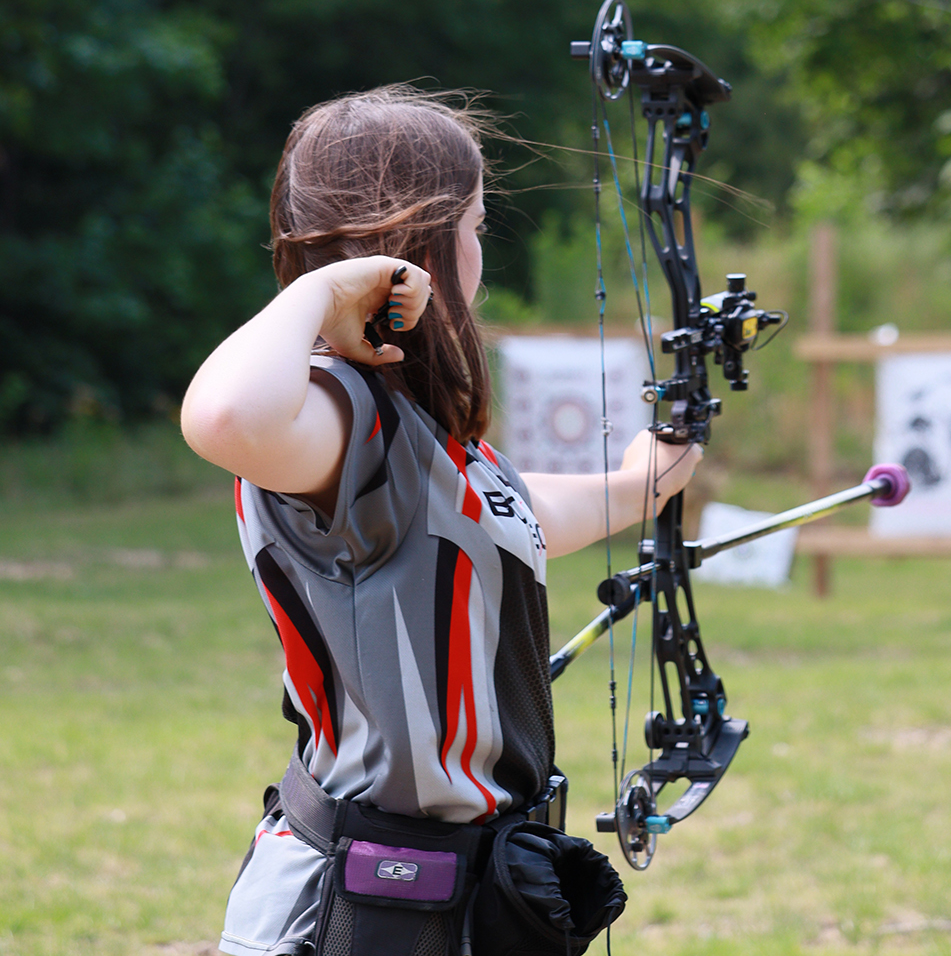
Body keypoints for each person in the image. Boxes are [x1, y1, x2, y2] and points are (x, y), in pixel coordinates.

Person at [180, 84, 700, 956]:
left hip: (452, 898)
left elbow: (521, 515)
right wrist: (329, 289)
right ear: (422, 244)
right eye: (475, 227)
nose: (479, 253)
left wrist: (642, 481)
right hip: (352, 910)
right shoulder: (334, 413)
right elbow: (224, 419)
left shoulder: (420, 438)